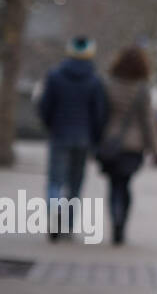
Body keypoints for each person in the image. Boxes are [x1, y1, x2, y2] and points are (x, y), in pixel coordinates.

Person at [38, 36, 109, 241]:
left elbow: (45, 107)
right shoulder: (95, 80)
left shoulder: (54, 76)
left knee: (55, 181)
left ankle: (53, 217)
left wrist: (51, 126)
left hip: (59, 135)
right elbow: (99, 114)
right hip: (83, 138)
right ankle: (68, 225)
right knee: (75, 184)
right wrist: (95, 139)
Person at [99, 46, 157, 246]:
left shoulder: (109, 85)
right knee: (125, 184)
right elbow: (148, 120)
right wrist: (155, 148)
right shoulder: (142, 89)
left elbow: (101, 114)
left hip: (110, 143)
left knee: (113, 185)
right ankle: (121, 223)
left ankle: (115, 218)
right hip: (133, 146)